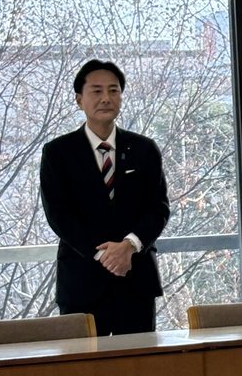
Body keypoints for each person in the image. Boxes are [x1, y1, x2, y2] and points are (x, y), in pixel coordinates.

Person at [40, 59, 170, 334]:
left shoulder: (144, 149)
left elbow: (158, 208)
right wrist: (106, 256)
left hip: (136, 278)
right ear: (79, 99)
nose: (106, 98)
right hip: (82, 281)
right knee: (84, 361)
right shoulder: (58, 153)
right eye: (96, 91)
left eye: (113, 90)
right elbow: (59, 215)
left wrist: (129, 246)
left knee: (138, 359)